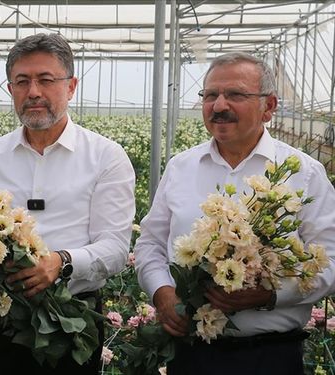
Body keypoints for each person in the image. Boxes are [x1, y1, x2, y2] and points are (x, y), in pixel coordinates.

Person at [134, 52, 335, 375]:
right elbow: (150, 244)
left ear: (269, 107)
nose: (219, 106)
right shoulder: (181, 168)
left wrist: (271, 295)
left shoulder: (303, 175)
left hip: (270, 357)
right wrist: (163, 292)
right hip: (191, 356)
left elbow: (332, 261)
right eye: (210, 95)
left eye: (235, 95)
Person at [0, 33, 136, 375]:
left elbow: (116, 248)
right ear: (10, 89)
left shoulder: (105, 156)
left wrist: (62, 262)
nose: (33, 92)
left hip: (71, 321)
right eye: (22, 81)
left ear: (71, 86)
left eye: (46, 80)